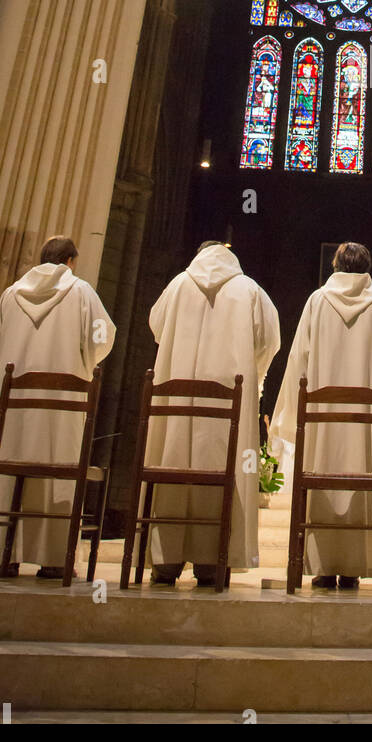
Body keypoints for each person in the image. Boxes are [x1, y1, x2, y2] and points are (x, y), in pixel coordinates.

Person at [0, 236, 115, 579]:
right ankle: (52, 559)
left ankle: (5, 554)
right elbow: (100, 339)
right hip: (59, 412)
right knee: (54, 470)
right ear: (70, 262)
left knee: (6, 471)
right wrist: (84, 360)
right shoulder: (81, 293)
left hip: (13, 413)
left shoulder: (11, 295)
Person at [270, 242, 372, 589]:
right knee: (365, 472)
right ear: (368, 267)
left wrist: (290, 415)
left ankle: (323, 566)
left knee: (323, 471)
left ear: (335, 265)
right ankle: (355, 566)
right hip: (368, 419)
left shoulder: (317, 303)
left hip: (322, 418)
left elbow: (299, 357)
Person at [146, 240, 280, 586]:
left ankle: (166, 560)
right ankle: (214, 560)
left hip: (176, 402)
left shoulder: (177, 285)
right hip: (228, 403)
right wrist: (254, 375)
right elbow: (269, 340)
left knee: (173, 463)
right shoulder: (249, 289)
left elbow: (156, 327)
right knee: (225, 464)